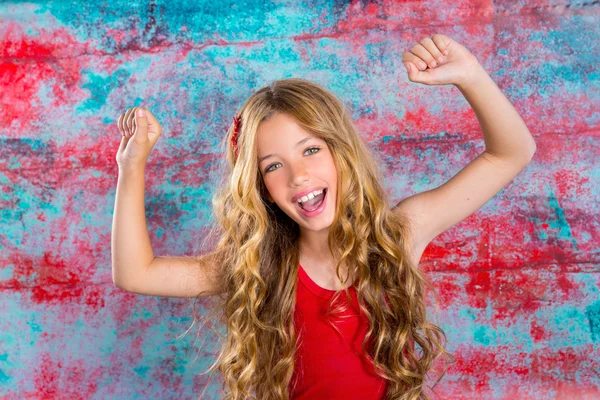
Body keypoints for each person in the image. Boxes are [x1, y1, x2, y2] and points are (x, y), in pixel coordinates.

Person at [112, 33, 536, 400]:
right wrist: (131, 166)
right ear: (260, 187)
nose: (298, 176)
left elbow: (511, 153)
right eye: (272, 166)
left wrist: (471, 75)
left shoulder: (400, 234)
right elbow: (137, 273)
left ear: (342, 152)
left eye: (311, 150)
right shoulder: (258, 268)